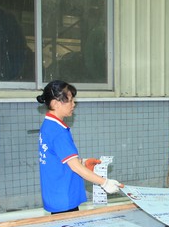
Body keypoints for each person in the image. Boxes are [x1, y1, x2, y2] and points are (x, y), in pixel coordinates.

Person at [37, 80, 121, 213]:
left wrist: (84, 162)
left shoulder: (48, 126)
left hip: (56, 195)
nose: (73, 104)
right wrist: (104, 183)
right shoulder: (58, 131)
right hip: (64, 197)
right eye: (70, 101)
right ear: (55, 103)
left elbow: (59, 159)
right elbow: (74, 166)